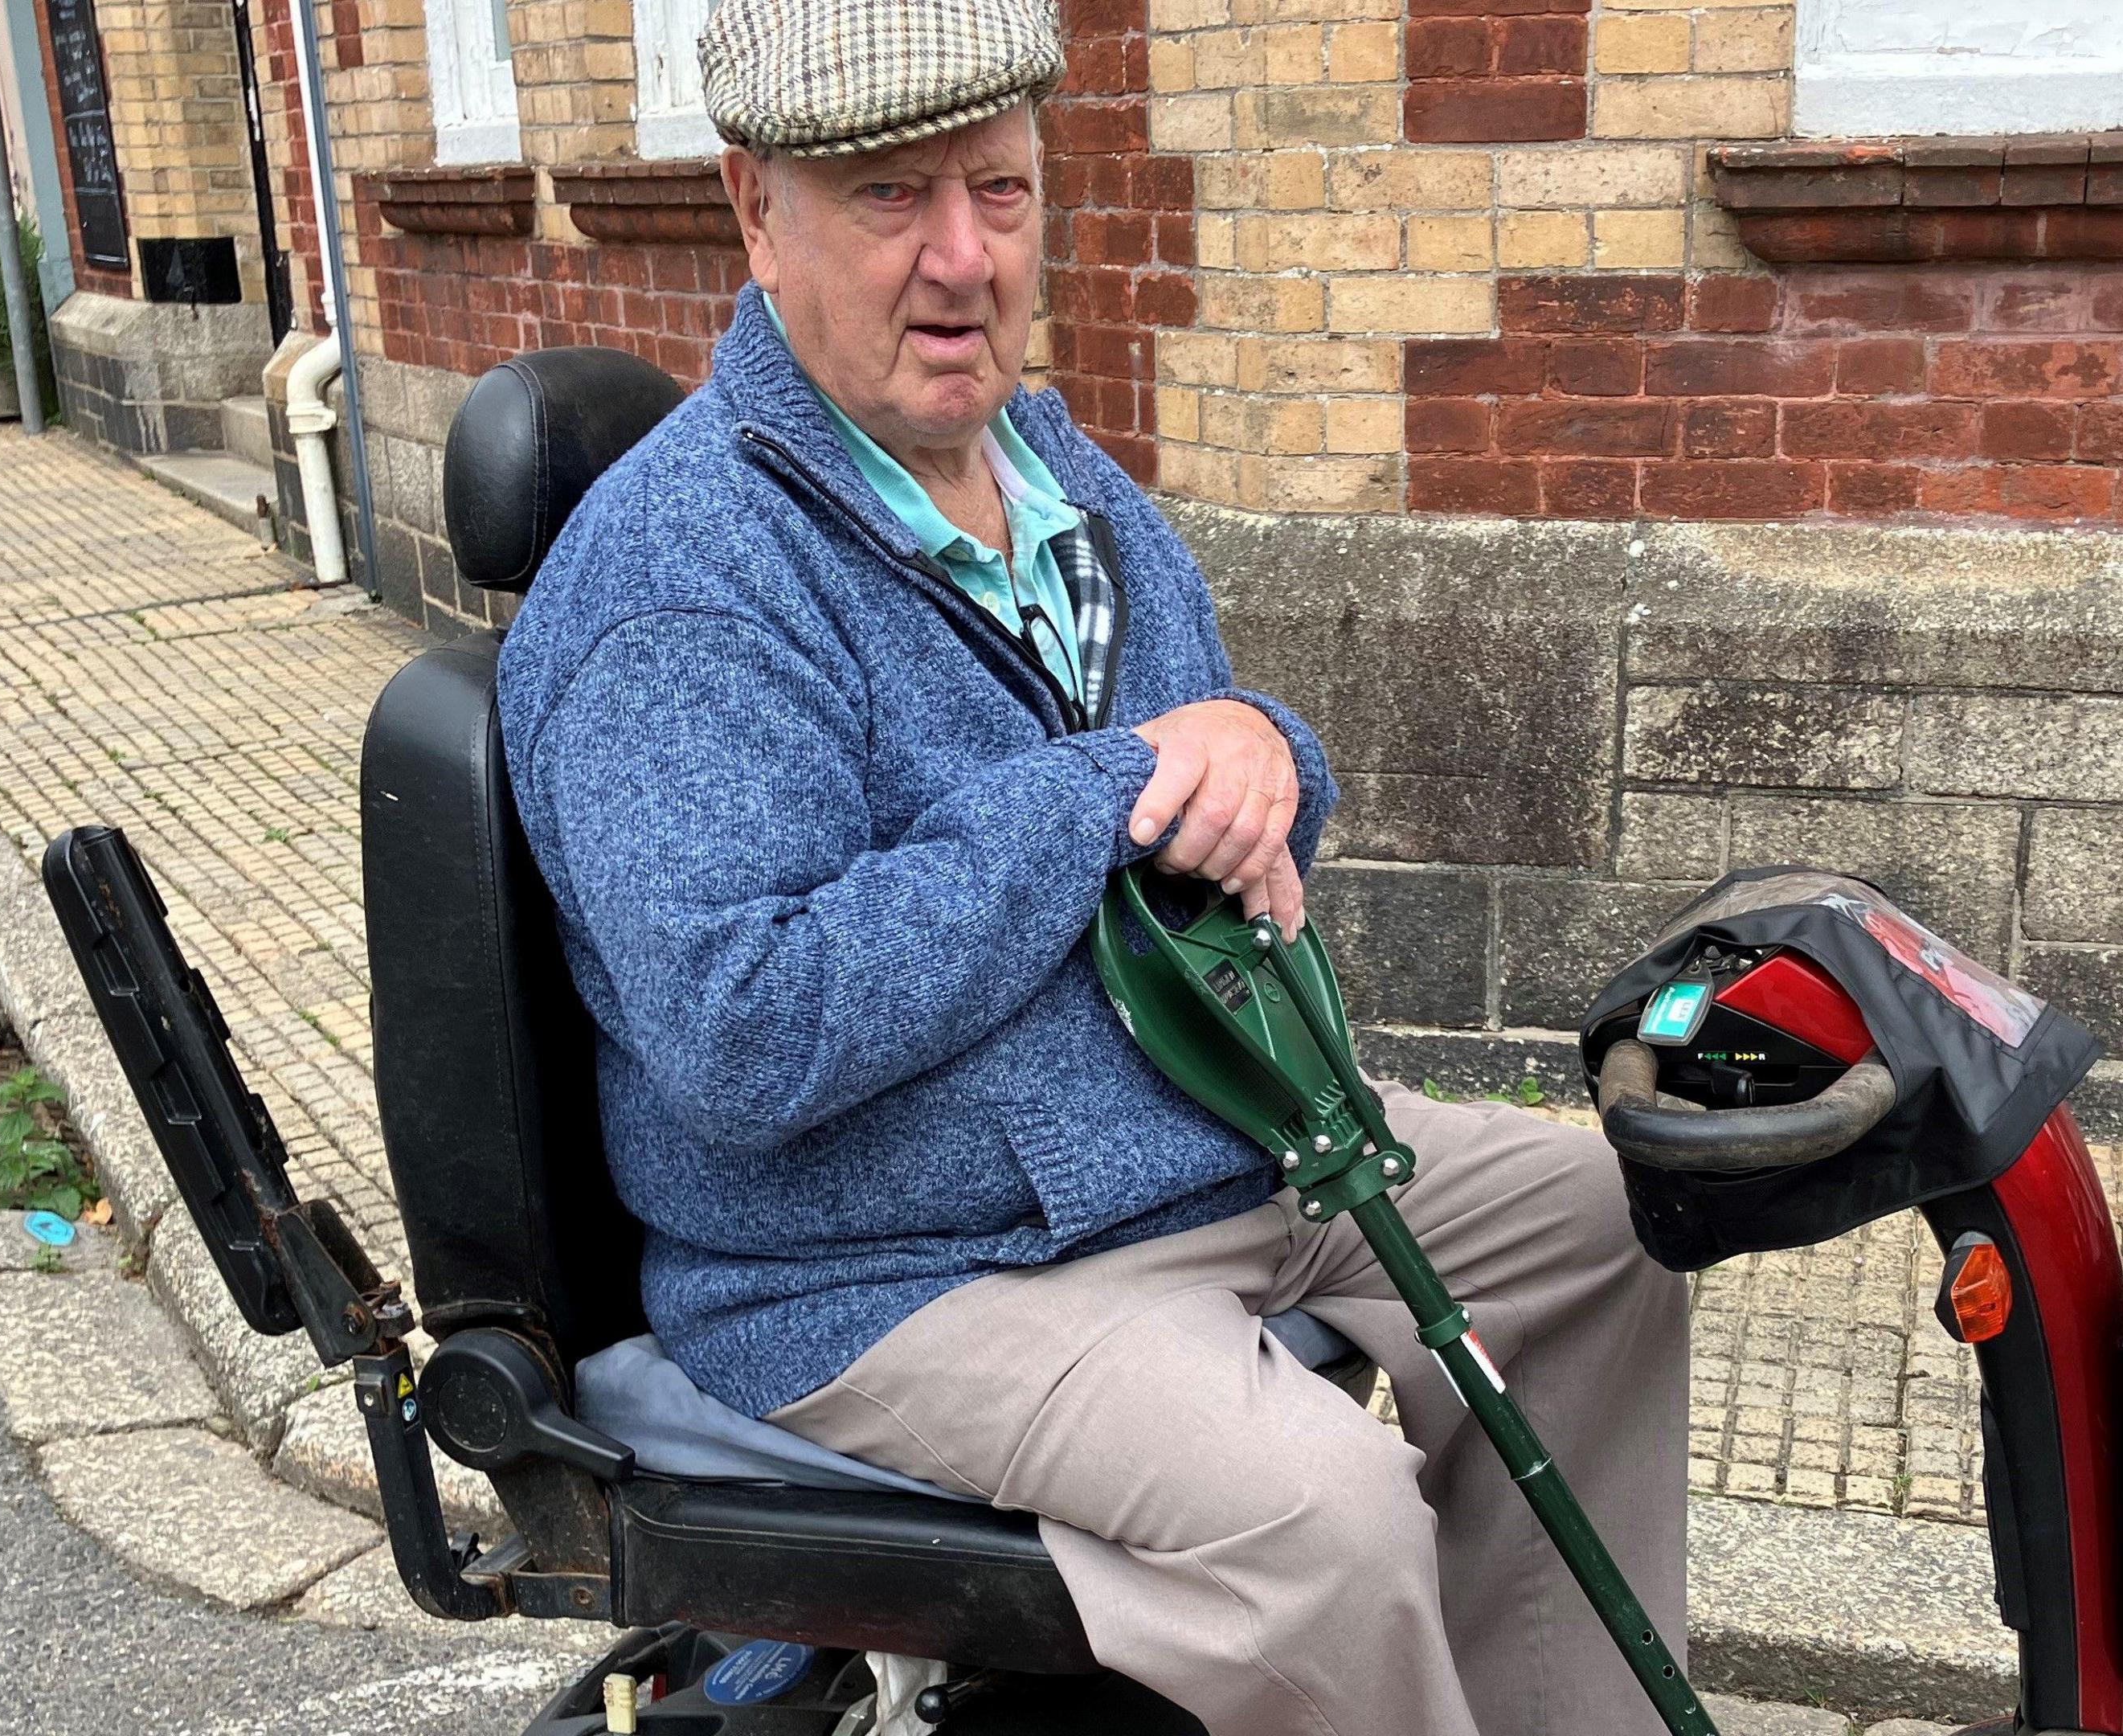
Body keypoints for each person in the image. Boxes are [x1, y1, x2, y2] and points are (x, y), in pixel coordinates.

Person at [495, 2, 1691, 1730]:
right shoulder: (684, 584)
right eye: (892, 198)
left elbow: (1210, 762)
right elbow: (744, 1031)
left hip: (1212, 1147)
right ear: (758, 211)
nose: (964, 259)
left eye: (1001, 191)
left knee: (1603, 1231)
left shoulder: (1053, 474)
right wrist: (1097, 789)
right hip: (904, 1269)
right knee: (1327, 1523)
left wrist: (1272, 751)